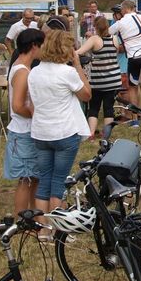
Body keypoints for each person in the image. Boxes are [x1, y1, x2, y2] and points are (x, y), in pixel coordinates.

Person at [28, 29, 91, 215]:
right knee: (59, 181)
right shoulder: (67, 72)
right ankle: (57, 225)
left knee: (44, 180)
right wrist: (77, 65)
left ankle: (43, 227)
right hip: (64, 131)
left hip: (41, 132)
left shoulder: (34, 72)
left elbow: (33, 102)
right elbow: (86, 95)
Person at [4, 28, 43, 214]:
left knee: (34, 178)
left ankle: (34, 216)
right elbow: (18, 106)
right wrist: (38, 115)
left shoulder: (23, 68)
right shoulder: (22, 71)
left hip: (27, 131)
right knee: (26, 179)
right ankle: (22, 219)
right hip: (23, 132)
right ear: (34, 46)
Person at [108, 0, 141, 116]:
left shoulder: (120, 23)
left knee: (133, 87)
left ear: (124, 9)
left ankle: (134, 118)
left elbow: (106, 32)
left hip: (133, 58)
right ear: (133, 8)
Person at [75, 16, 122, 137]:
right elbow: (115, 54)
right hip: (113, 79)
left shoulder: (94, 39)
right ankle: (106, 134)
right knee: (109, 107)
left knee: (94, 107)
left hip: (98, 80)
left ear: (95, 27)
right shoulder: (114, 39)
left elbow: (79, 52)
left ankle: (91, 133)